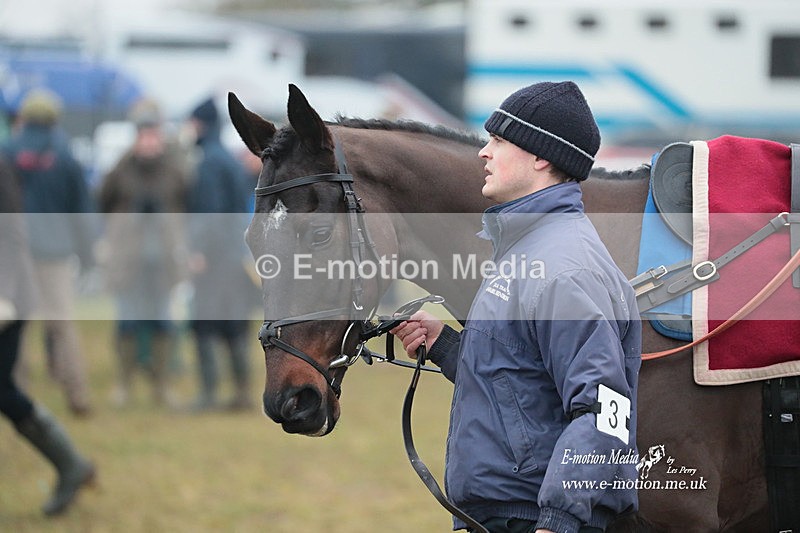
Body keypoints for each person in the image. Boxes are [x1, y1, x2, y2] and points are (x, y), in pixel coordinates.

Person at [391, 82, 642, 533]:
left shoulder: (563, 268)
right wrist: (448, 347)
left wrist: (558, 520)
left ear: (541, 156)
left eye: (498, 141)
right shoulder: (524, 251)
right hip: (498, 515)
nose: (483, 153)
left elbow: (605, 409)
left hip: (535, 520)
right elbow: (522, 374)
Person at [0, 156, 96, 516]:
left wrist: (4, 295)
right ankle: (72, 465)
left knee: (3, 388)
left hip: (8, 295)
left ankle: (71, 464)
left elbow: (11, 234)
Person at [1, 88, 96, 416]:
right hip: (55, 254)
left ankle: (16, 397)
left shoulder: (7, 151)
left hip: (13, 255)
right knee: (63, 325)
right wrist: (87, 255)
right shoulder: (66, 155)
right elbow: (82, 211)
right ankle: (78, 395)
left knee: (15, 325)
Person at [97, 99, 189, 408]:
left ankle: (161, 387)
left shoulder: (174, 170)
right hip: (129, 261)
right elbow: (101, 201)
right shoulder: (121, 168)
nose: (148, 141)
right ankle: (124, 385)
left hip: (162, 261)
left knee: (163, 322)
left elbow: (189, 205)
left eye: (153, 134)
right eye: (143, 135)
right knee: (128, 321)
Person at [185, 97, 255, 411]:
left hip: (214, 259)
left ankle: (208, 396)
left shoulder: (209, 161)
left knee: (205, 324)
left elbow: (210, 214)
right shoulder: (227, 158)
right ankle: (242, 394)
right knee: (234, 324)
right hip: (234, 256)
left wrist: (199, 251)